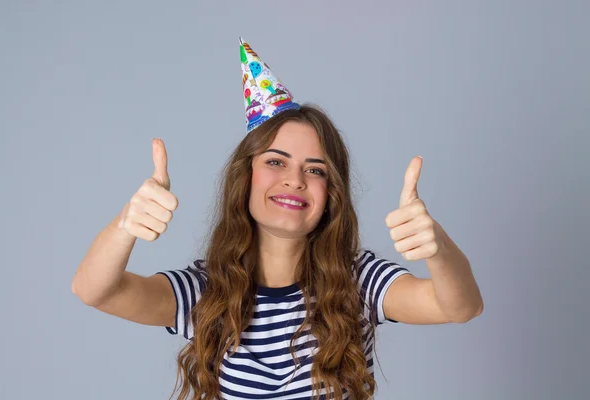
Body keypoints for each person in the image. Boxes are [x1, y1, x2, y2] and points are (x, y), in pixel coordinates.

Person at [72, 38, 483, 400]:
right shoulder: (204, 293)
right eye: (275, 161)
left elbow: (459, 306)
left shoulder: (359, 280)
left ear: (331, 192)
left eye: (316, 169)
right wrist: (126, 224)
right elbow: (96, 290)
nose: (295, 180)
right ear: (246, 177)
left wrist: (439, 248)